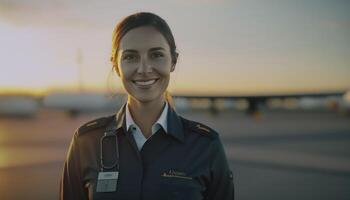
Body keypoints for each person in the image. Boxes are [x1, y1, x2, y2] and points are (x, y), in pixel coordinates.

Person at [60, 12, 234, 200]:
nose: (144, 69)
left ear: (173, 61)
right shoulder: (86, 143)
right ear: (116, 65)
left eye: (156, 55)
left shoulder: (205, 146)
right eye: (130, 57)